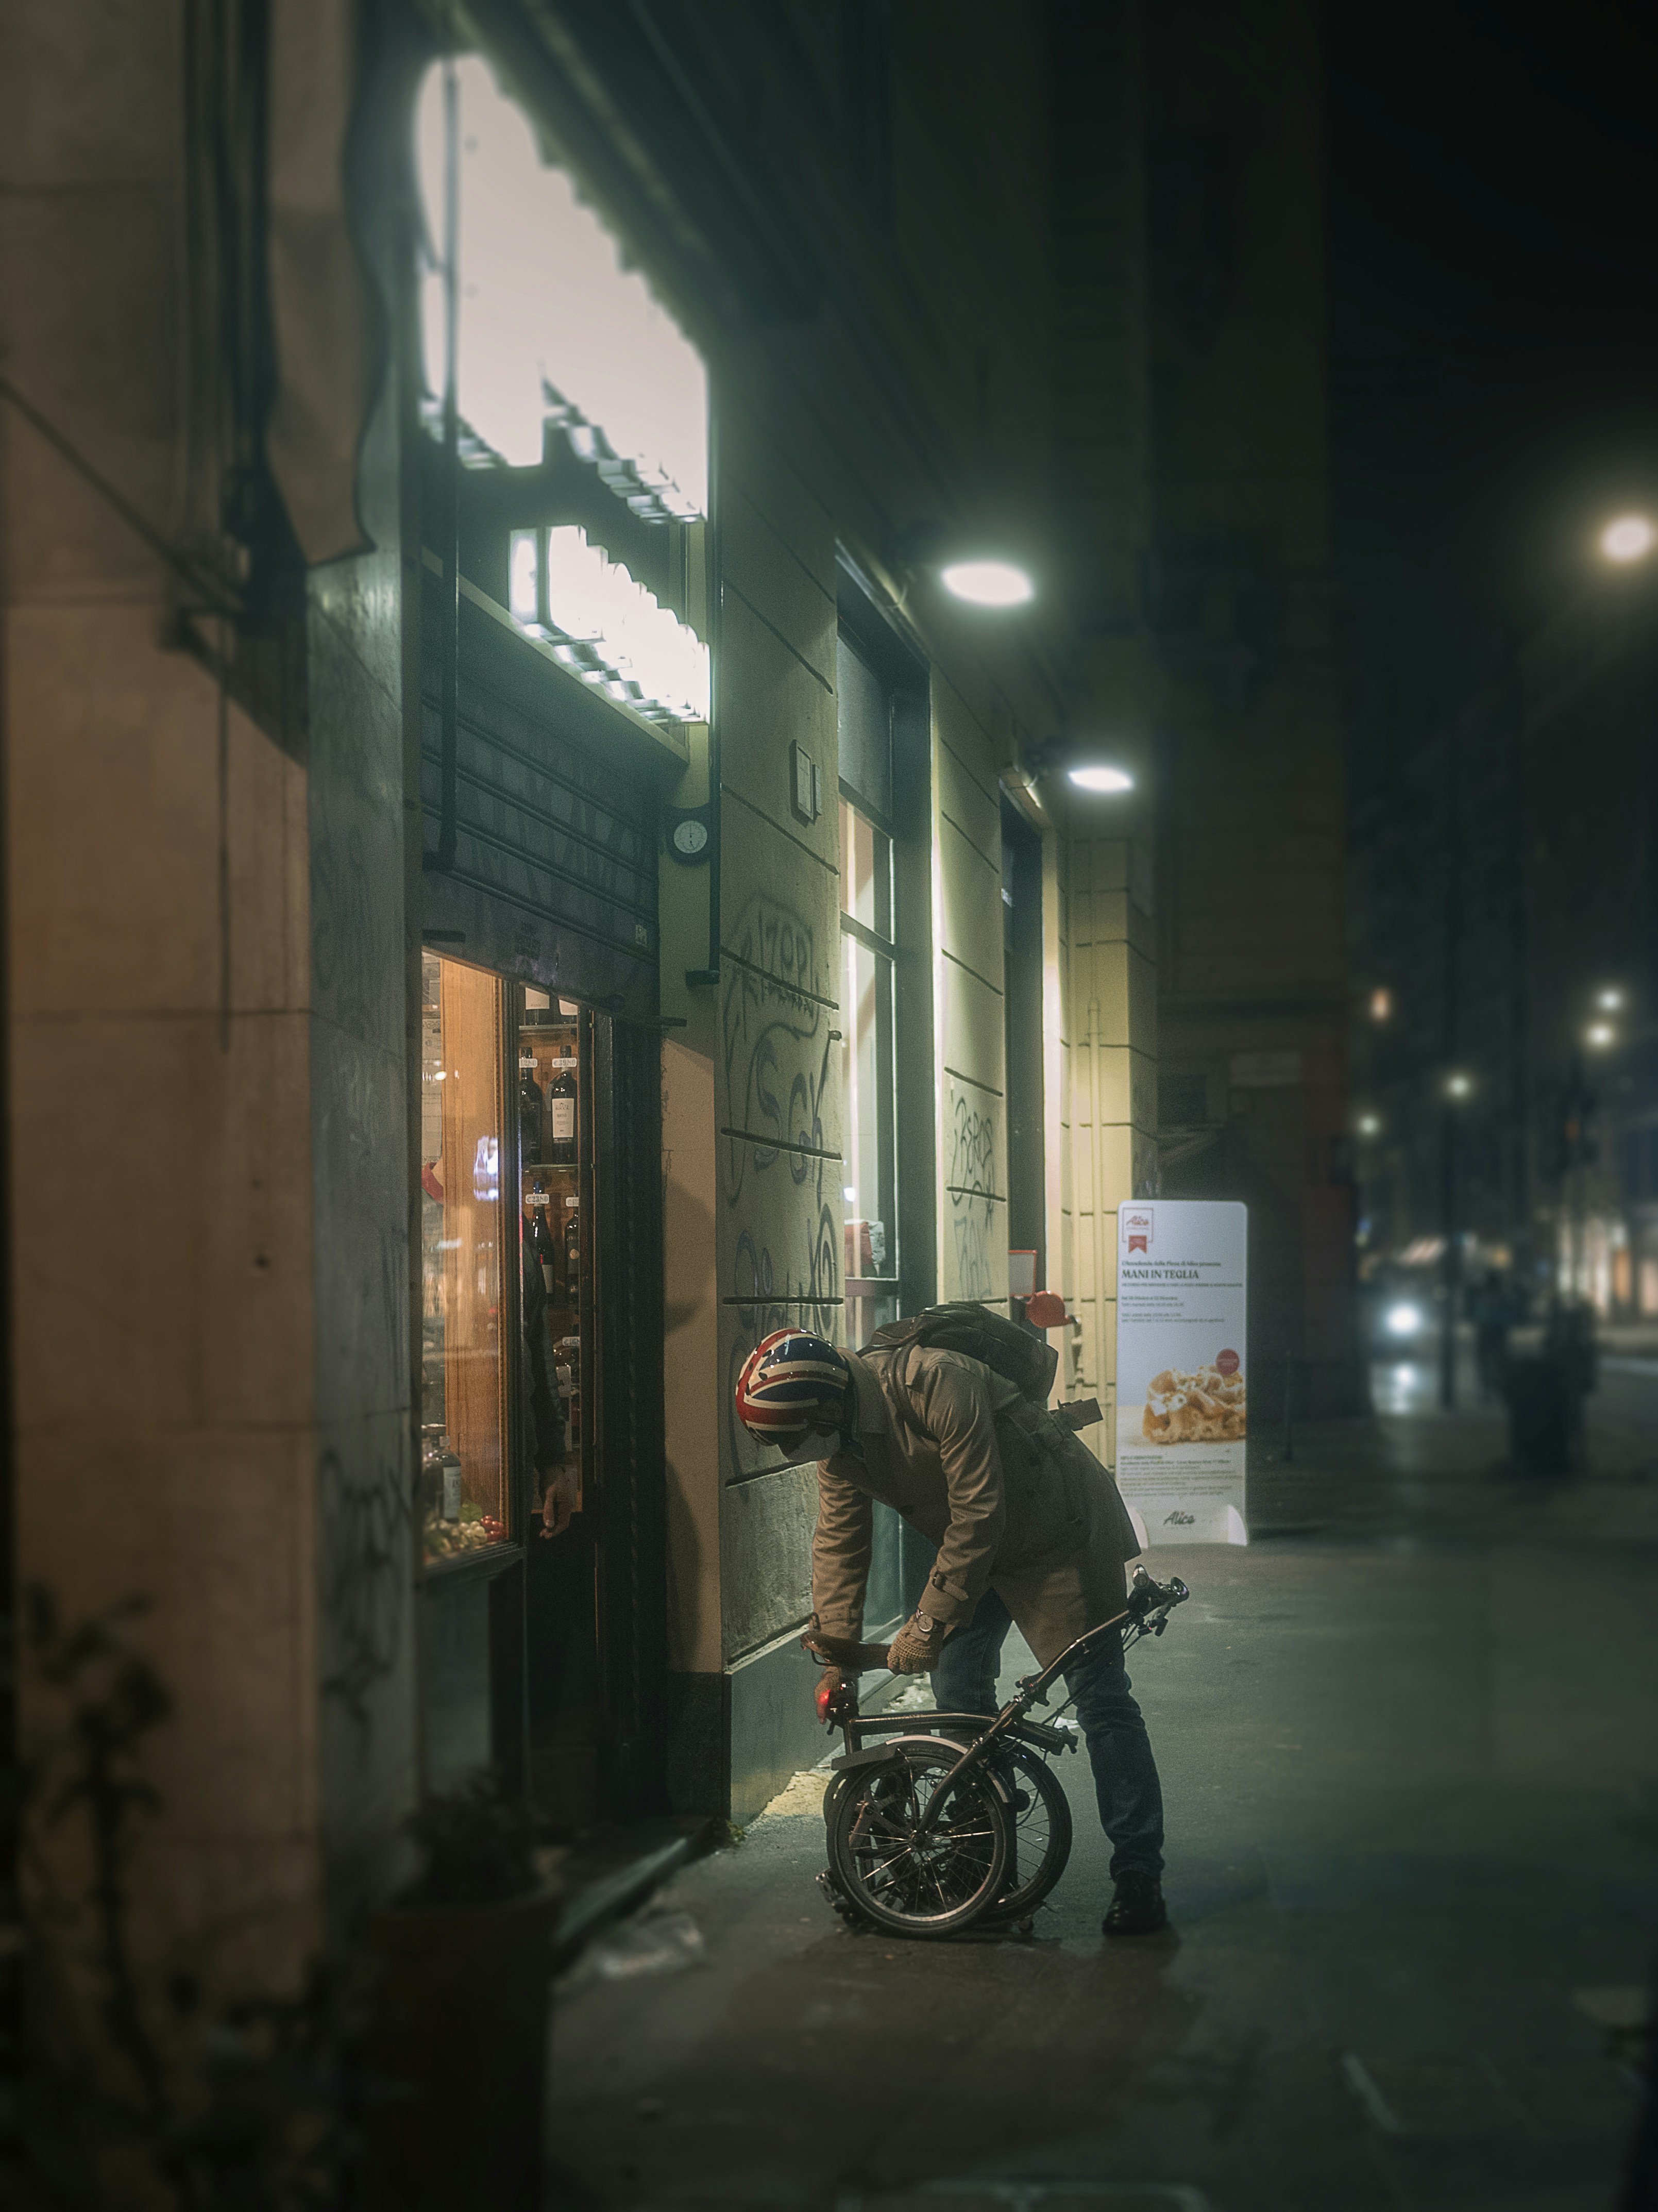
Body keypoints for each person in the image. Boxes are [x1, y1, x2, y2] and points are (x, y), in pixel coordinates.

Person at [734, 1325, 1170, 1935]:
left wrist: (925, 1623)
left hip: (1057, 1530)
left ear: (828, 1405)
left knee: (1100, 1697)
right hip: (975, 1551)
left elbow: (979, 1507)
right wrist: (838, 1660)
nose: (791, 1454)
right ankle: (983, 1858)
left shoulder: (938, 1380)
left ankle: (1138, 1872)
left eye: (792, 1438)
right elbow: (838, 1543)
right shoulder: (840, 1443)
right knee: (958, 1689)